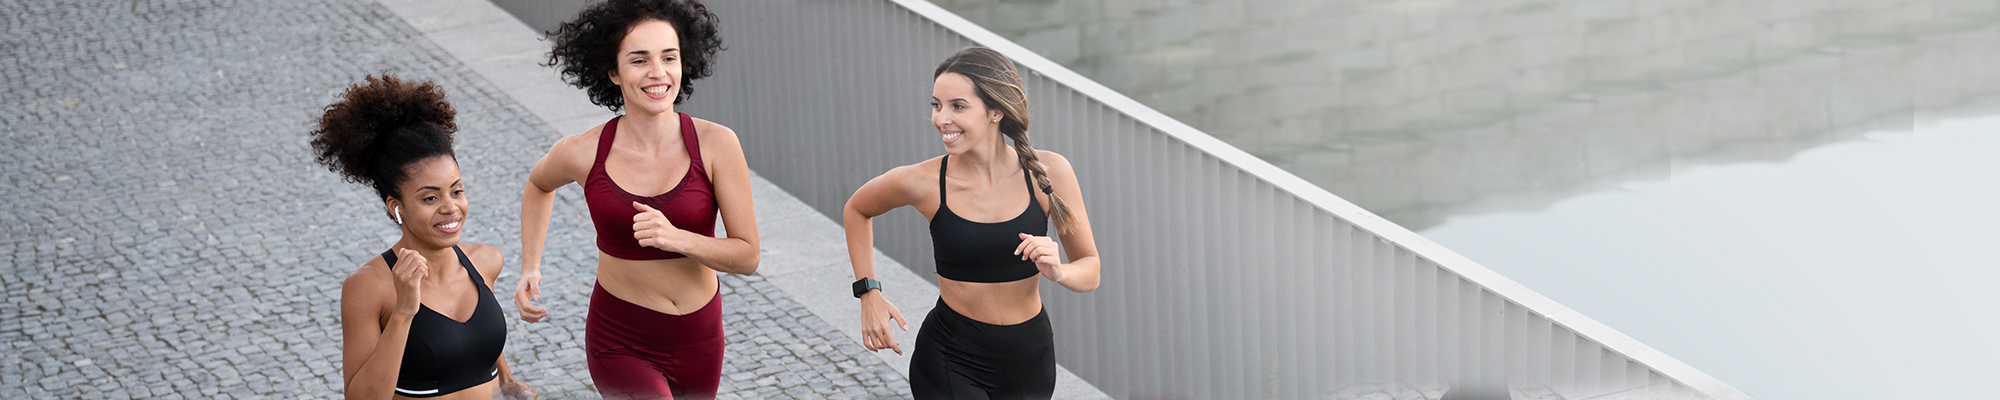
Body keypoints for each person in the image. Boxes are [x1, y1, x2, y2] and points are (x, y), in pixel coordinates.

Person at [513, 0, 758, 398]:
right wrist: (530, 267)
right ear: (613, 71)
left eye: (669, 57)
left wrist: (677, 238)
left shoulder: (718, 144)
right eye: (639, 60)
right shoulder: (582, 151)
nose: (658, 72)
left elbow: (748, 256)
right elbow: (539, 185)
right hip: (620, 339)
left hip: (701, 335)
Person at [842, 46, 1103, 399]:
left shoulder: (1048, 173)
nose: (941, 118)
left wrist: (1059, 271)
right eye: (936, 105)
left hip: (1032, 359)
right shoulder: (924, 182)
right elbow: (857, 209)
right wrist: (868, 292)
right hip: (952, 358)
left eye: (957, 106)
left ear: (995, 110)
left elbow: (1091, 269)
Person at [313, 74, 536, 399]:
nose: (451, 208)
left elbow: (475, 340)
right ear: (396, 207)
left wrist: (507, 380)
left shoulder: (485, 261)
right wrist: (404, 310)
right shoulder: (368, 287)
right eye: (430, 198)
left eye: (456, 191)